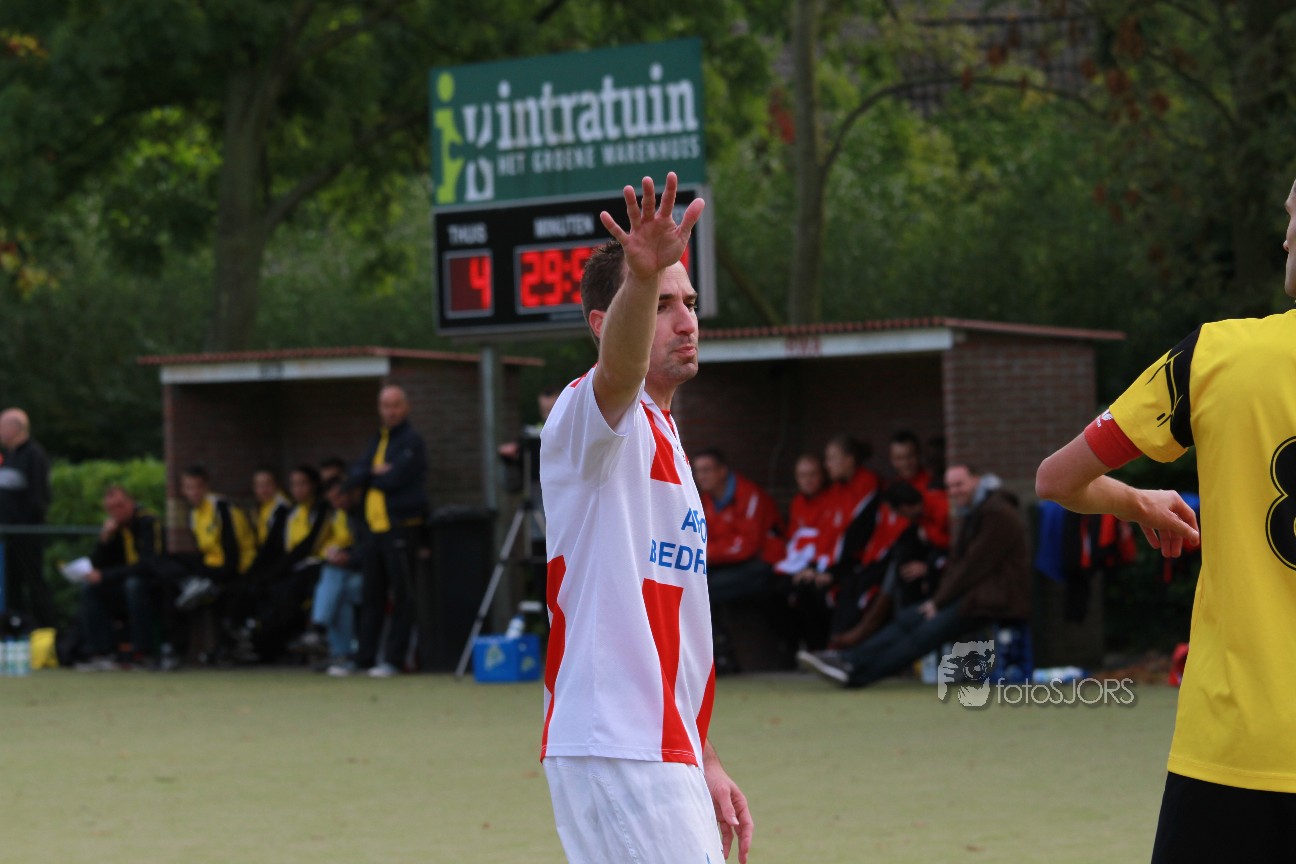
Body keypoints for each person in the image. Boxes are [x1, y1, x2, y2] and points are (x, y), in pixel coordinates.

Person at [1033, 179, 1296, 864]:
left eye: (1294, 217)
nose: (1285, 237)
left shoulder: (1215, 355)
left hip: (1235, 746)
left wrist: (1137, 501)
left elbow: (1057, 479)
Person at [539, 172, 752, 864]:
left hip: (660, 745)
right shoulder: (592, 412)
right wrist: (639, 273)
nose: (687, 321)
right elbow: (619, 370)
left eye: (688, 302)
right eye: (662, 304)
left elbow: (670, 637)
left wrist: (703, 754)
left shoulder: (667, 436)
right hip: (618, 741)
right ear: (604, 325)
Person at [798, 464, 1030, 687]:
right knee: (908, 618)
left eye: (959, 484)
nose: (954, 491)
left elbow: (973, 565)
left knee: (925, 633)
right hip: (977, 594)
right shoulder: (979, 510)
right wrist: (938, 600)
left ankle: (857, 675)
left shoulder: (996, 513)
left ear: (976, 480)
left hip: (996, 599)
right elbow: (962, 564)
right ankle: (848, 660)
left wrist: (938, 602)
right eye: (950, 486)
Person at [349, 384, 428, 678]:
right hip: (373, 530)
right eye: (385, 405)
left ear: (405, 407)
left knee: (403, 596)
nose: (390, 411)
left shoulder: (412, 441)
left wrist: (369, 475)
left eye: (395, 405)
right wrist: (372, 471)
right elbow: (353, 475)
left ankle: (394, 660)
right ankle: (364, 658)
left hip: (400, 529)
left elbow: (395, 479)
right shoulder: (378, 439)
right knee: (371, 595)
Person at [77, 485, 175, 671]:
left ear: (131, 502)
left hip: (154, 586)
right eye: (111, 508)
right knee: (91, 589)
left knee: (134, 585)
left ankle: (142, 653)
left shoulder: (148, 522)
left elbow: (149, 565)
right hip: (126, 586)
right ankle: (102, 653)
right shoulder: (116, 529)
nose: (116, 512)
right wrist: (104, 539)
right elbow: (97, 564)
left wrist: (106, 575)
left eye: (120, 505)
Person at [0, 407, 54, 626]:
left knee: (34, 582)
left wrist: (24, 525)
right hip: (8, 536)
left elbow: (39, 498)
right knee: (11, 585)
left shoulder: (34, 455)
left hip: (27, 533)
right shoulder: (7, 457)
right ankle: (16, 630)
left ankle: (46, 631)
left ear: (15, 428)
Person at [249, 467, 290, 550]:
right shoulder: (260, 505)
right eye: (259, 485)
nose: (263, 490)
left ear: (276, 485)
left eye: (268, 484)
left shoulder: (281, 507)